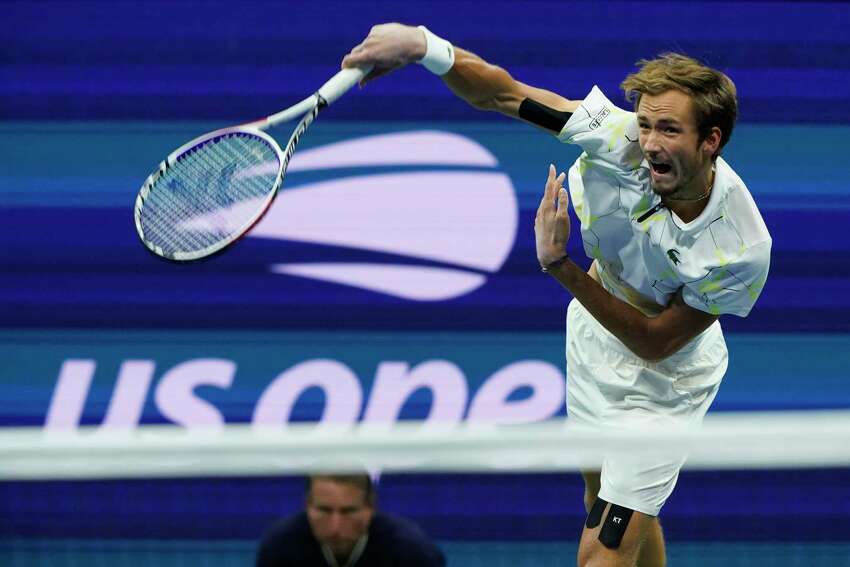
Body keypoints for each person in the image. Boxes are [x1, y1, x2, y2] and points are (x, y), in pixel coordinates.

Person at [342, 24, 771, 567]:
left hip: (668, 381)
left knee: (606, 543)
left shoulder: (739, 248)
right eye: (644, 125)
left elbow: (656, 343)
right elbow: (501, 92)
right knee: (609, 501)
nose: (650, 143)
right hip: (594, 339)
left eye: (669, 129)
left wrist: (559, 266)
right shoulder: (614, 139)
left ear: (710, 140)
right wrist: (424, 47)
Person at [255, 473, 445, 567]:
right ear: (307, 505)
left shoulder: (412, 553)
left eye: (348, 512)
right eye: (324, 510)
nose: (335, 527)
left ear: (371, 507)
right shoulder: (280, 548)